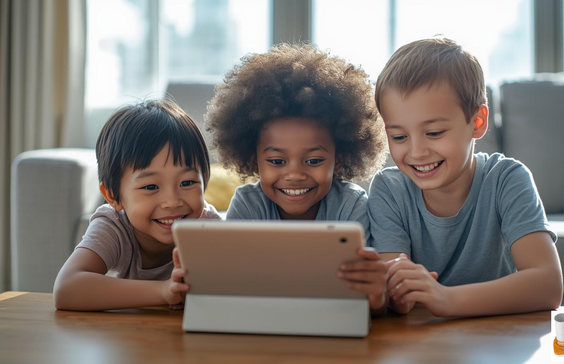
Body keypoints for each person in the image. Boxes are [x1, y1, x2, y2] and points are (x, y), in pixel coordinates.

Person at [369, 38, 563, 317]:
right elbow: (398, 296)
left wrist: (446, 299)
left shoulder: (507, 179)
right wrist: (395, 292)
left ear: (478, 122)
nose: (417, 152)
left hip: (499, 338)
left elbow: (548, 286)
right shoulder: (389, 189)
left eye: (434, 133)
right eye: (399, 137)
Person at [205, 43, 390, 316]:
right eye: (277, 161)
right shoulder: (248, 205)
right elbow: (232, 285)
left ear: (338, 160)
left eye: (314, 160)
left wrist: (377, 296)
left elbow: (367, 301)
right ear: (254, 160)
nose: (294, 174)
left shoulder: (351, 206)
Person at [54, 99, 221, 311]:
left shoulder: (208, 226)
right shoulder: (114, 227)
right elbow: (67, 289)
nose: (172, 202)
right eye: (151, 186)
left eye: (187, 183)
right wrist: (164, 291)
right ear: (113, 196)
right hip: (128, 336)